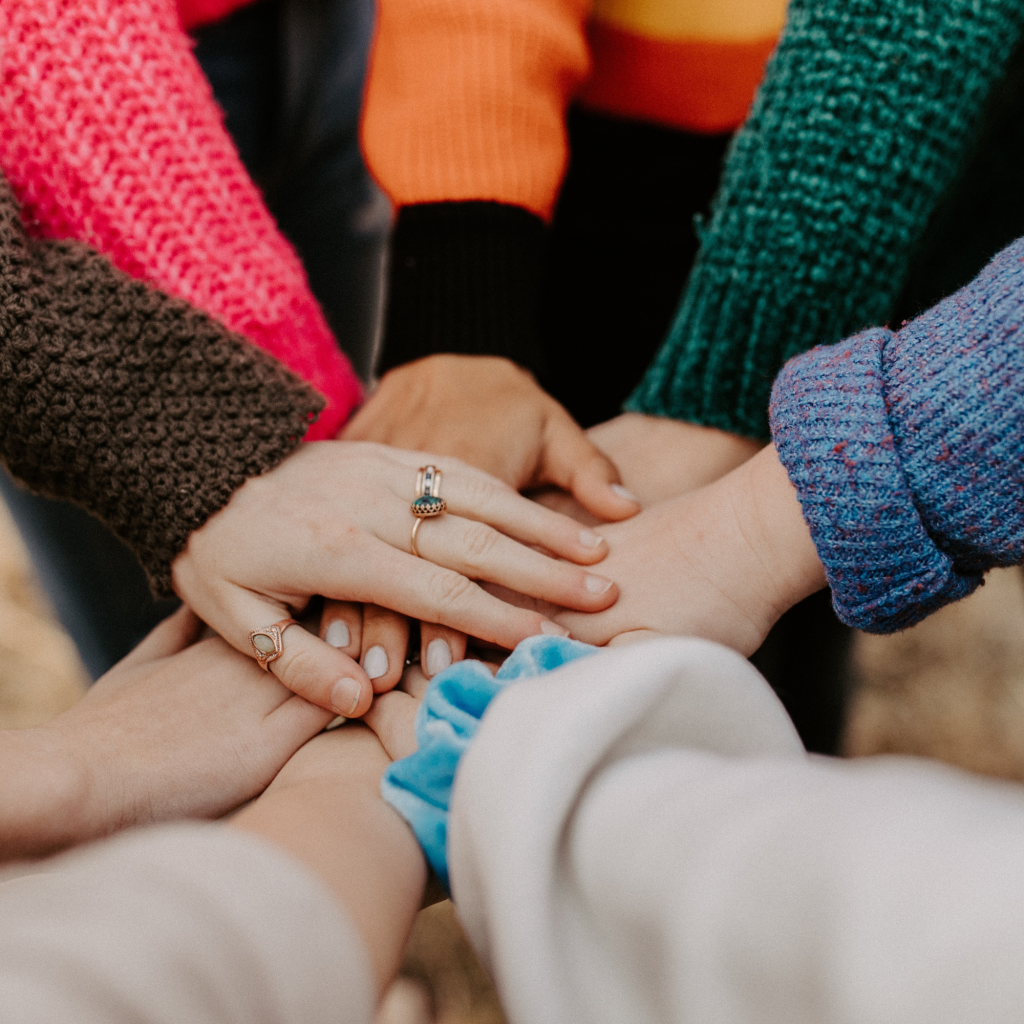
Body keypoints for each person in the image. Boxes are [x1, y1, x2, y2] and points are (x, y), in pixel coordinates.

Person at [0, 172, 616, 717]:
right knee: (211, 672)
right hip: (45, 229)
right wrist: (168, 439)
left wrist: (460, 323)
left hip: (320, 76)